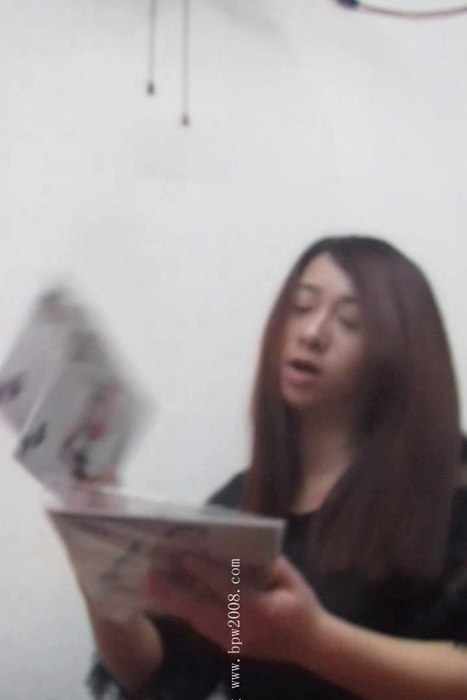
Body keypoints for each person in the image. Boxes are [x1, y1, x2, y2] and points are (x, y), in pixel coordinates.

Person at [85, 236, 467, 700]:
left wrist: (313, 642)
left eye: (350, 321)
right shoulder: (239, 505)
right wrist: (98, 559)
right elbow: (160, 675)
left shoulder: (450, 488)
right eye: (301, 307)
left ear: (400, 352)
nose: (312, 332)